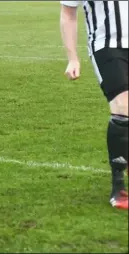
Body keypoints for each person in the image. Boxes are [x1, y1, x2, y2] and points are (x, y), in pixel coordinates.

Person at [59, 1, 128, 210]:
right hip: (106, 46)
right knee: (123, 106)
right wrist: (72, 58)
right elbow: (68, 13)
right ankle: (119, 187)